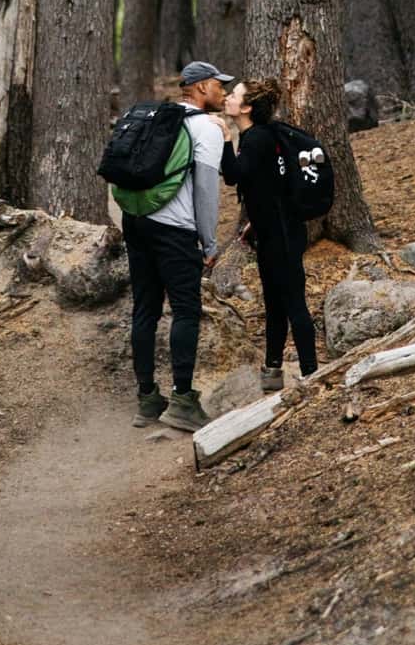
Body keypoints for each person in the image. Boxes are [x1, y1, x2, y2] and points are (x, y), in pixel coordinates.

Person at [127, 60, 230, 432]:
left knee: (145, 309)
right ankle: (183, 401)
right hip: (175, 229)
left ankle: (147, 399)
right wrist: (210, 241)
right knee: (186, 310)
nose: (223, 92)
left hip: (136, 223)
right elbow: (205, 191)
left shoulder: (156, 117)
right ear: (201, 87)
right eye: (219, 85)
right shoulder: (206, 128)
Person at [221, 78, 319, 389]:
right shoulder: (260, 136)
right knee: (275, 303)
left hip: (282, 236)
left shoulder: (256, 138)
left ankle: (311, 373)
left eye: (234, 94)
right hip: (272, 232)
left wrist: (224, 139)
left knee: (293, 303)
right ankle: (273, 369)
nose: (227, 97)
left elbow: (233, 176)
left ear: (247, 107)